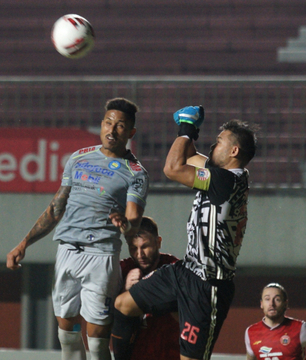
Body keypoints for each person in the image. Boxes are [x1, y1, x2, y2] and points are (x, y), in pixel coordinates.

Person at [6, 97, 149, 360]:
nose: (111, 130)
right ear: (101, 124)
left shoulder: (135, 172)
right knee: (66, 335)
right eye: (108, 123)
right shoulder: (79, 158)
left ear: (131, 132)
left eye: (120, 126)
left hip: (101, 256)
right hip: (67, 253)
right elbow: (55, 208)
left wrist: (125, 223)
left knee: (96, 343)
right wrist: (23, 244)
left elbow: (134, 221)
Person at [111, 105, 258, 360]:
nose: (213, 146)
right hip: (185, 272)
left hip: (207, 287)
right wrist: (189, 135)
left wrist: (187, 128)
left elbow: (172, 169)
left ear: (234, 151)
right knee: (124, 306)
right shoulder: (226, 175)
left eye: (219, 142)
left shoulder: (225, 181)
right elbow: (189, 155)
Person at [119, 216, 180, 360]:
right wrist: (125, 291)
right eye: (133, 248)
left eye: (145, 247)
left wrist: (159, 293)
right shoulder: (122, 270)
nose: (139, 254)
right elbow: (107, 318)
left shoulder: (174, 269)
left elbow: (190, 318)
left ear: (158, 243)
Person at [245, 283, 306, 360]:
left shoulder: (300, 328)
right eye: (267, 299)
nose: (271, 304)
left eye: (277, 299)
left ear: (285, 304)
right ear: (261, 304)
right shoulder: (251, 332)